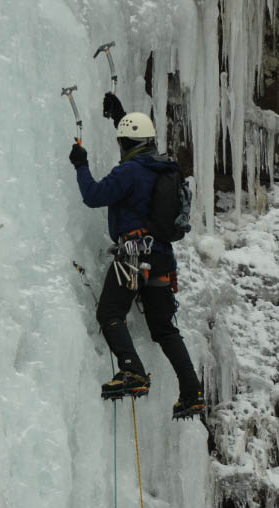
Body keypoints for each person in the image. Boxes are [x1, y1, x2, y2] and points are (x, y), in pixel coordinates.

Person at [68, 92, 205, 419]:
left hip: (132, 255)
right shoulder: (165, 168)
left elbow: (94, 195)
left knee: (109, 312)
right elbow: (138, 146)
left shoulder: (129, 171)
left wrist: (81, 163)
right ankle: (192, 393)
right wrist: (120, 115)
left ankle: (132, 371)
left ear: (126, 144)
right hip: (161, 258)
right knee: (164, 329)